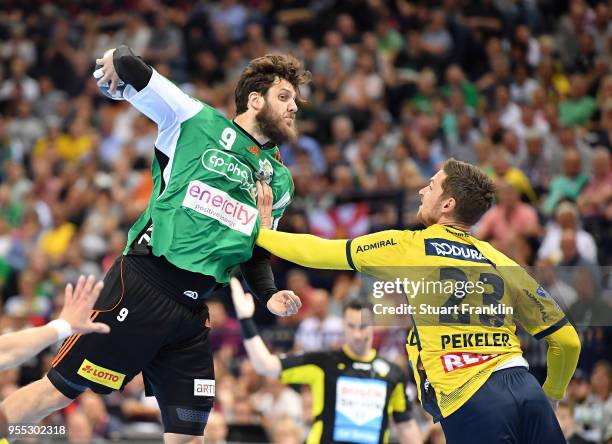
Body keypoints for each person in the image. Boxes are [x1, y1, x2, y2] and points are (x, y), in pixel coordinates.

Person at [2, 46, 305, 443]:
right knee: (57, 392)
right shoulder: (194, 119)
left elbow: (256, 251)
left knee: (189, 433)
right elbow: (129, 64)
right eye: (284, 96)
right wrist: (113, 56)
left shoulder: (278, 181)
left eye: (296, 100)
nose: (294, 107)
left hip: (192, 312)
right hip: (143, 285)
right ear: (254, 99)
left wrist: (268, 294)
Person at [254, 158, 581, 443]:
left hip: (471, 397)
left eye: (431, 185)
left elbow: (320, 252)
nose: (422, 191)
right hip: (526, 389)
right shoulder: (503, 261)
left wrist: (260, 232)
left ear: (448, 204)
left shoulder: (409, 247)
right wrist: (550, 395)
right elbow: (567, 342)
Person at [230, 278, 422, 444]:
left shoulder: (392, 373)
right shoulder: (323, 363)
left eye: (363, 327)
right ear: (342, 325)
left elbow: (406, 426)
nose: (357, 334)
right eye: (351, 326)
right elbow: (265, 365)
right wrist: (246, 320)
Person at [0, 275, 107, 439]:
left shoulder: (33, 335)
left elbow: (8, 351)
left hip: (48, 383)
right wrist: (63, 326)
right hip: (21, 387)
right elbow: (7, 354)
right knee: (28, 428)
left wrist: (63, 326)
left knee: (76, 417)